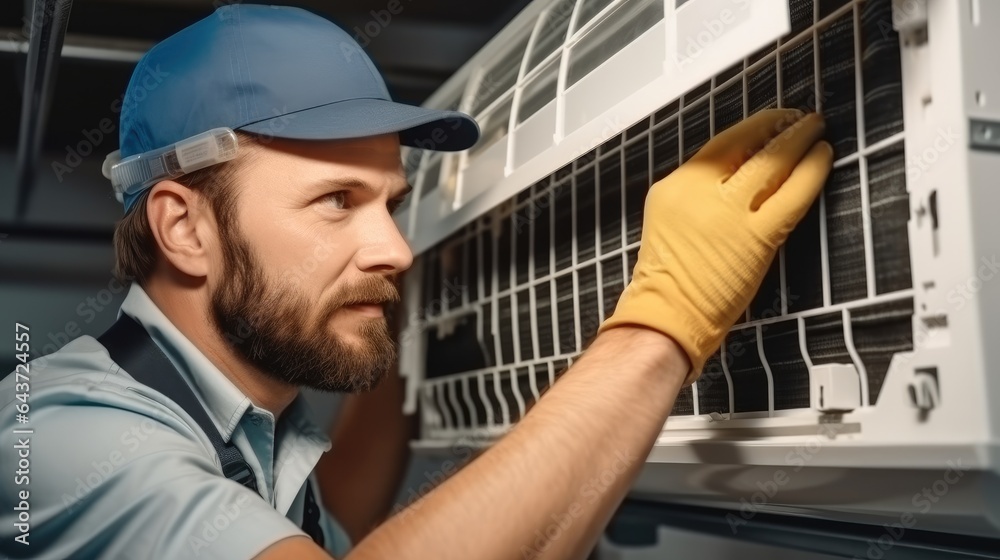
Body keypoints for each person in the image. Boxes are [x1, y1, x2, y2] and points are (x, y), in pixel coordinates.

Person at [0, 4, 833, 559]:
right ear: (186, 228)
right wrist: (664, 321)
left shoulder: (246, 421)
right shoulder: (56, 440)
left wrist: (401, 334)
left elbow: (345, 530)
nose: (395, 250)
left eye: (391, 206)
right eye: (336, 201)